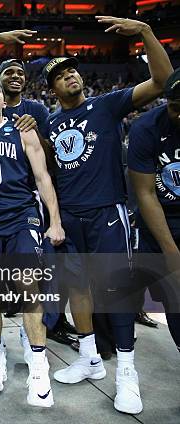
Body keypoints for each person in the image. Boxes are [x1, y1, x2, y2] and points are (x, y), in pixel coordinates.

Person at [43, 16, 173, 415]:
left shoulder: (106, 105)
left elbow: (163, 82)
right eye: (61, 76)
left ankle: (127, 373)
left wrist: (146, 34)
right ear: (53, 88)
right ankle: (89, 358)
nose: (71, 78)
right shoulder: (50, 123)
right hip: (70, 218)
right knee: (79, 291)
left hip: (106, 213)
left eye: (73, 71)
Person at [0, 71, 64, 407]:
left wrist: (55, 221)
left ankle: (39, 366)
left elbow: (42, 177)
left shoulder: (22, 131)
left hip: (21, 218)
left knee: (28, 286)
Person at [127, 68, 180, 353]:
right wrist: (171, 253)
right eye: (175, 108)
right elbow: (146, 193)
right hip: (161, 219)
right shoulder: (146, 128)